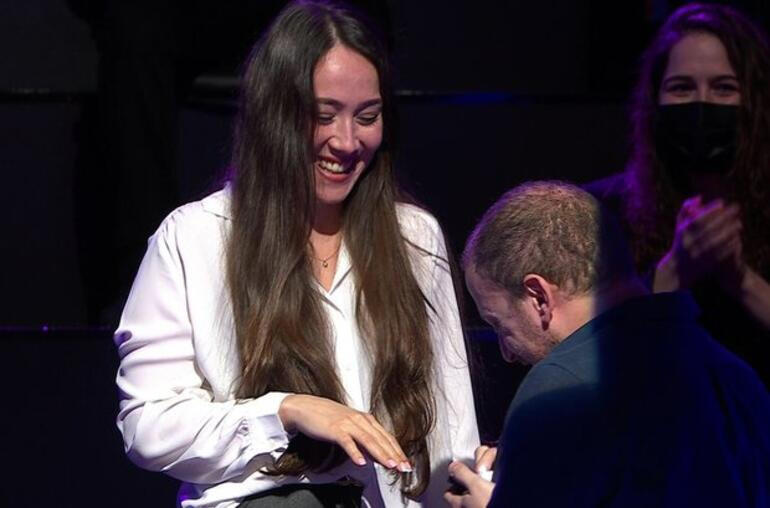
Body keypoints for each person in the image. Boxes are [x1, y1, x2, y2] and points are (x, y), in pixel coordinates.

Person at [113, 2, 479, 507]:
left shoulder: (414, 236)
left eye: (367, 117)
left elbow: (451, 430)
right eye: (323, 116)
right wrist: (283, 411)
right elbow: (149, 425)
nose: (346, 142)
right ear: (274, 116)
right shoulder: (194, 237)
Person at [444, 181, 770, 507]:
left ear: (539, 297)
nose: (506, 353)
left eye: (500, 325)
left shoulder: (556, 392)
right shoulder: (736, 378)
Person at [585, 2, 770, 388]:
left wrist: (741, 279)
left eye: (724, 88)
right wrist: (673, 271)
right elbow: (587, 353)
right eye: (682, 88)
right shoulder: (602, 212)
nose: (702, 103)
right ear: (655, 101)